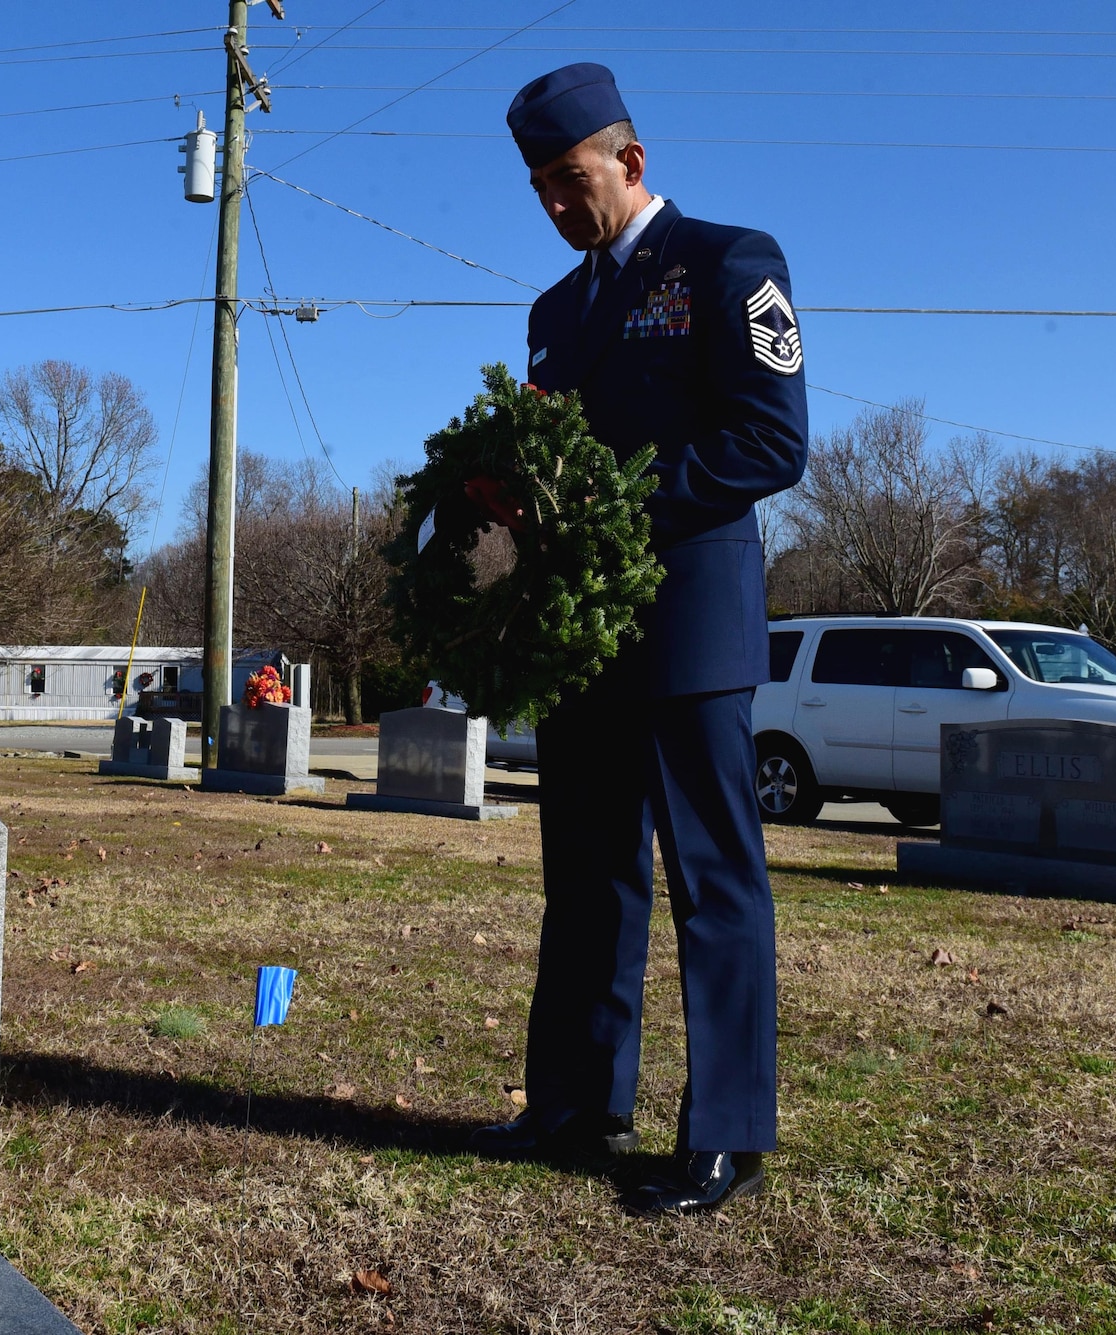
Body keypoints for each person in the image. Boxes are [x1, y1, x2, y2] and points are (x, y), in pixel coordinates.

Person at [467, 63, 809, 1216]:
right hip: (581, 640)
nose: (561, 206)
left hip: (691, 627)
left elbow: (767, 445)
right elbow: (549, 466)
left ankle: (724, 1134)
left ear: (631, 161)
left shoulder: (728, 261)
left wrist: (610, 501)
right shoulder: (553, 314)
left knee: (712, 882)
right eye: (541, 191)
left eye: (573, 180)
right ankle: (572, 1104)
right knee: (588, 881)